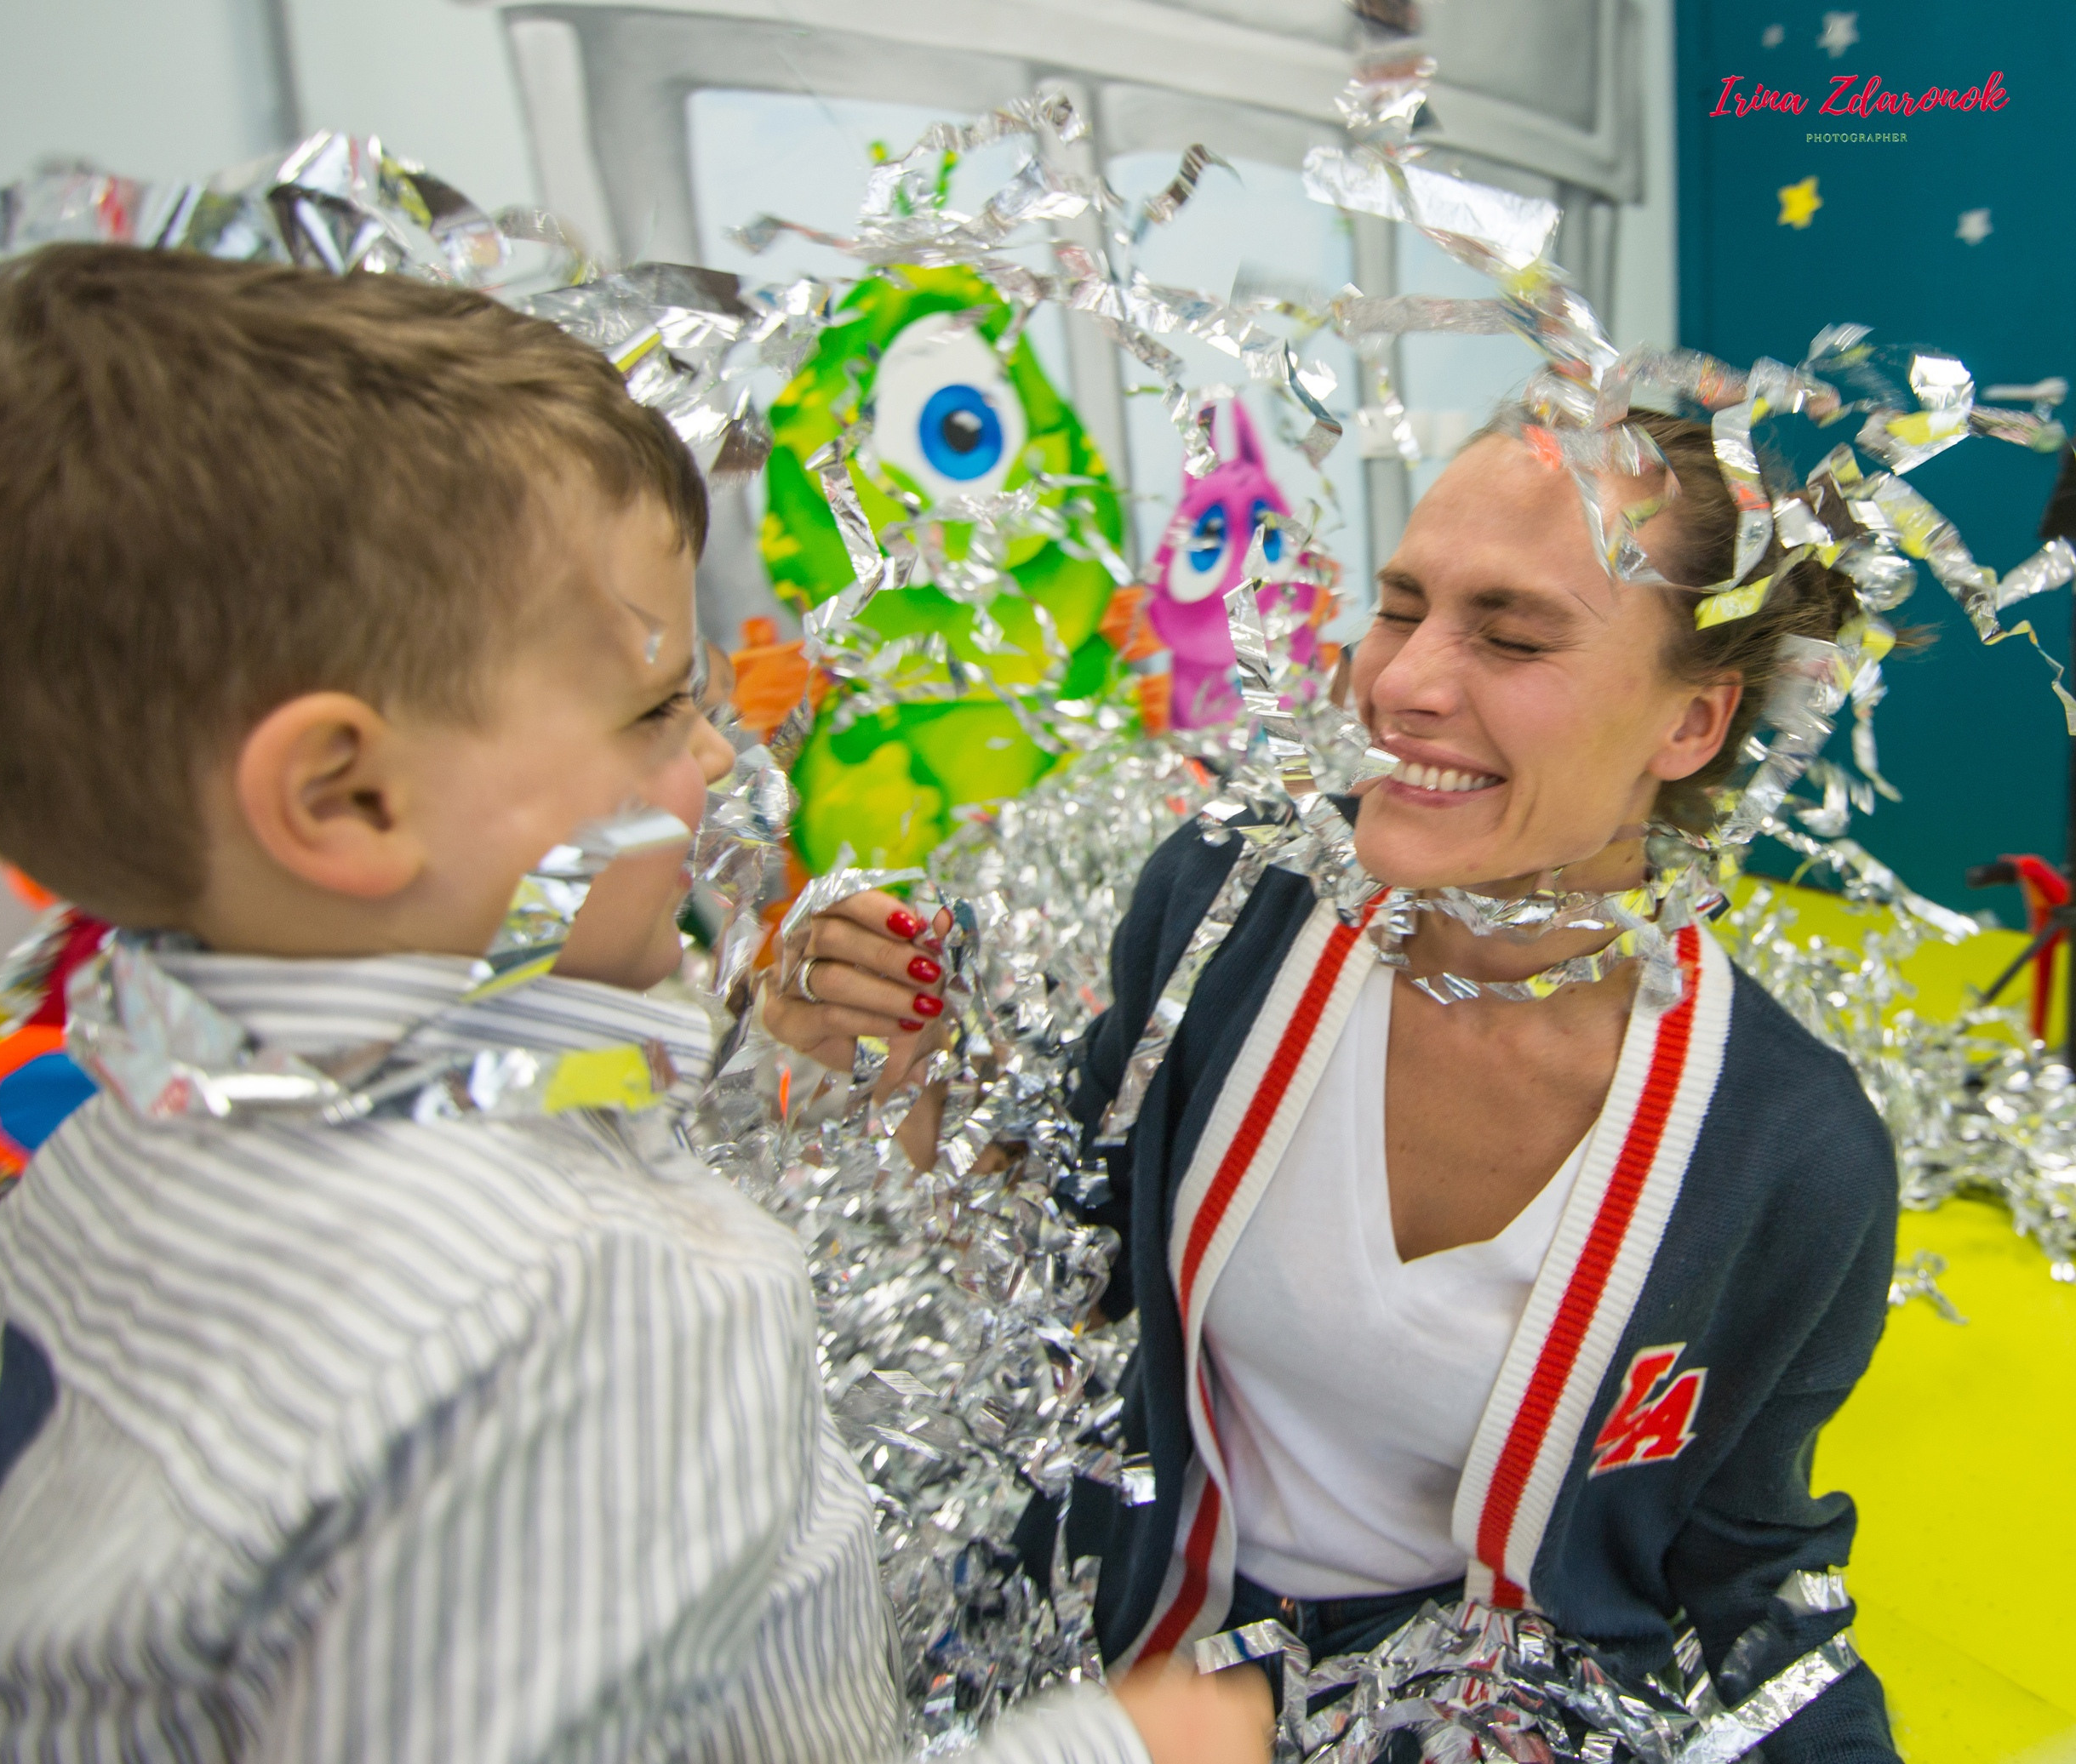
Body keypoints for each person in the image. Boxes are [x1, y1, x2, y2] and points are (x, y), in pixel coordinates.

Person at [0, 244, 1271, 1764]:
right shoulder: (578, 1307)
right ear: (348, 798)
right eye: (650, 709)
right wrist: (1113, 1750)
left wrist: (756, 1075)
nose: (712, 765)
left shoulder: (99, 1172)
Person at [771, 411, 1902, 1761]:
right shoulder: (1225, 911)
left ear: (1692, 720)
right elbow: (1079, 1253)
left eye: (1514, 633)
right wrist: (925, 1082)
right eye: (1399, 605)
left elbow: (1745, 1579)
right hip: (1118, 1661)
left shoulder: (1786, 1152)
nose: (1402, 682)